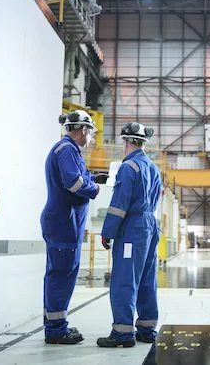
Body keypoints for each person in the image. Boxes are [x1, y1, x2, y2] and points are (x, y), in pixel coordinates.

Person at [97, 122, 162, 348]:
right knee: (146, 278)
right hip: (150, 226)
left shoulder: (128, 167)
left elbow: (119, 205)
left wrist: (107, 232)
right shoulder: (153, 168)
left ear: (125, 142)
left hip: (132, 229)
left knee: (125, 280)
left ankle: (122, 333)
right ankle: (147, 329)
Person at [41, 110, 103, 345]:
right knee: (61, 276)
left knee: (58, 274)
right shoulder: (67, 150)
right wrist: (94, 189)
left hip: (64, 223)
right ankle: (56, 330)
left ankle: (56, 325)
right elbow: (74, 183)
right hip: (64, 223)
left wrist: (93, 178)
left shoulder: (67, 150)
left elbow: (79, 177)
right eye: (91, 133)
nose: (92, 139)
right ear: (84, 130)